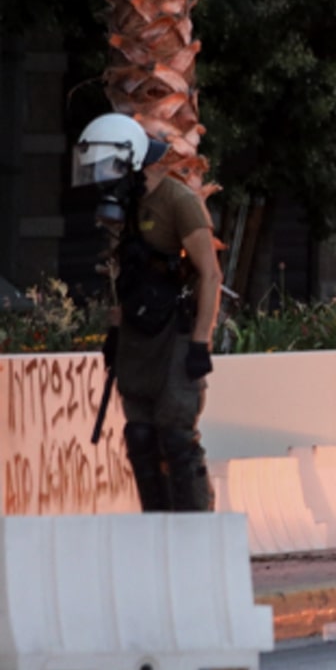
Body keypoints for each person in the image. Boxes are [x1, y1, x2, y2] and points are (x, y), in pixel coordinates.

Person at [72, 113, 221, 512]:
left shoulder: (178, 202)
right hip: (137, 337)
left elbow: (210, 274)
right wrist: (114, 330)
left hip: (175, 333)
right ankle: (155, 528)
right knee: (140, 436)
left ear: (132, 160)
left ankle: (196, 530)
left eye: (108, 168)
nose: (102, 179)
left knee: (175, 436)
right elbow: (124, 274)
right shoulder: (124, 208)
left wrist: (200, 343)